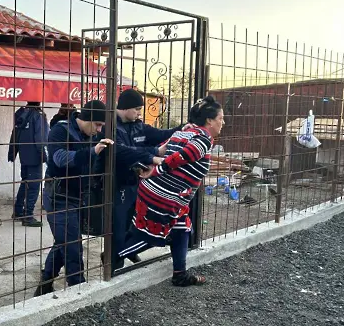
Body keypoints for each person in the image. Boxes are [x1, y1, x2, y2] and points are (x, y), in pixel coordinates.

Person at [112, 95, 224, 286]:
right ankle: (114, 257)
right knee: (153, 235)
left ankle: (180, 274)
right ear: (209, 120)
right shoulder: (203, 138)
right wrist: (157, 168)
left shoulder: (185, 133)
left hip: (163, 193)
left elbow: (170, 150)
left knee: (182, 228)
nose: (223, 122)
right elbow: (183, 156)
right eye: (221, 118)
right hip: (164, 196)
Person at [97, 88, 184, 272]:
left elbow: (159, 135)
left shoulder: (137, 125)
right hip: (116, 184)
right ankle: (113, 268)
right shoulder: (109, 127)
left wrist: (181, 128)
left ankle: (122, 253)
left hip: (136, 184)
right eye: (136, 108)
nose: (139, 112)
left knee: (135, 224)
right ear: (125, 107)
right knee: (117, 229)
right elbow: (120, 152)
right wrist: (152, 155)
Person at [34, 100, 113, 296]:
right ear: (86, 119)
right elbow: (59, 159)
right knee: (72, 246)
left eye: (102, 126)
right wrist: (93, 151)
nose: (99, 129)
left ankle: (45, 284)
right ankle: (79, 290)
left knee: (65, 240)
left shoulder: (93, 134)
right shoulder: (60, 131)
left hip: (79, 196)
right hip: (58, 196)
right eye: (97, 124)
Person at [8, 101, 49, 227]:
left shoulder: (22, 114)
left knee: (25, 182)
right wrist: (43, 154)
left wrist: (12, 152)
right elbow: (40, 137)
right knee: (34, 186)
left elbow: (15, 134)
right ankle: (28, 216)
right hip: (34, 155)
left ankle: (18, 211)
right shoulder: (37, 116)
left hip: (24, 155)